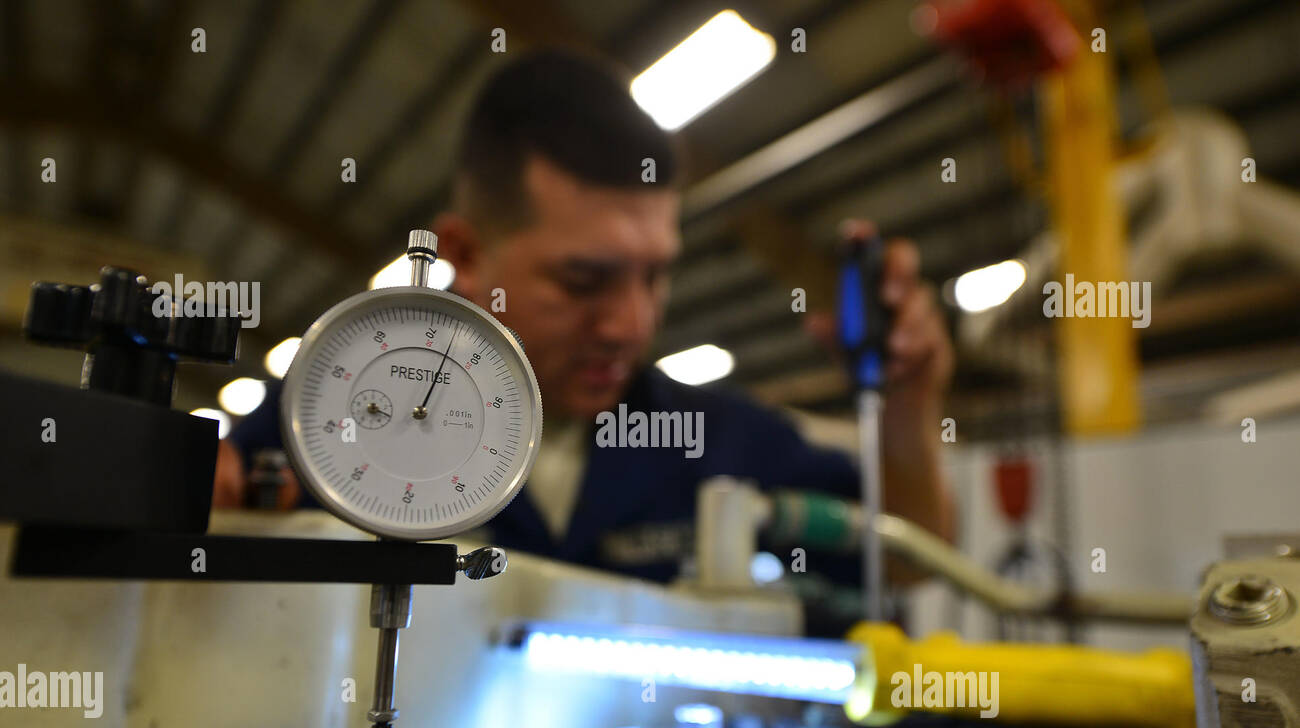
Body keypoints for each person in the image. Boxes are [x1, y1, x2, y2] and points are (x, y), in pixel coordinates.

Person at [218, 48, 955, 590]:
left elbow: (903, 560)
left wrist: (910, 409)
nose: (630, 325)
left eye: (655, 274)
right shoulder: (330, 410)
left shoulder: (712, 438)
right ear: (467, 255)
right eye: (584, 279)